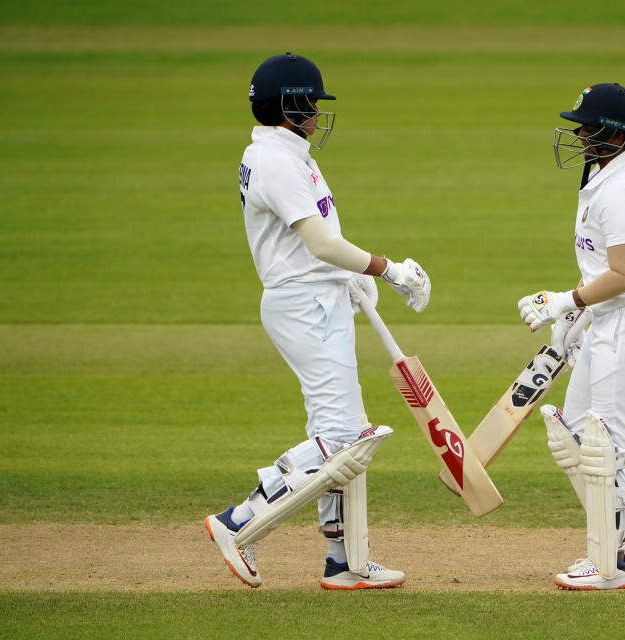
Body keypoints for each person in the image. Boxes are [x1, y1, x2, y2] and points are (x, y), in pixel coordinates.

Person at [205, 52, 431, 590]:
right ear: (292, 105)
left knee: (349, 437)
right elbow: (321, 243)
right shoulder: (277, 162)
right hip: (303, 304)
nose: (317, 115)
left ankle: (344, 560)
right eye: (312, 105)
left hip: (318, 295)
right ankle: (238, 522)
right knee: (341, 438)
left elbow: (319, 241)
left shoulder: (288, 153)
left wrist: (346, 280)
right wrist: (389, 269)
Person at [518, 83, 625, 590]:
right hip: (610, 321)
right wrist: (577, 319)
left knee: (605, 446)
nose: (579, 135)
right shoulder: (603, 180)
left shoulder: (621, 190)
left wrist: (565, 302)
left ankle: (610, 564)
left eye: (588, 127)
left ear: (616, 134)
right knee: (572, 433)